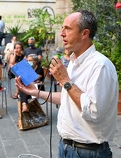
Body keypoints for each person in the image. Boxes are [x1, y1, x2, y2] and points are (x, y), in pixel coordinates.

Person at [15, 10, 118, 158]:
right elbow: (67, 98)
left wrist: (65, 81)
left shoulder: (100, 65)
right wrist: (35, 92)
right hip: (65, 147)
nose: (62, 33)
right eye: (62, 28)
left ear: (85, 33)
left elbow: (93, 111)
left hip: (88, 152)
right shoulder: (73, 63)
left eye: (67, 29)